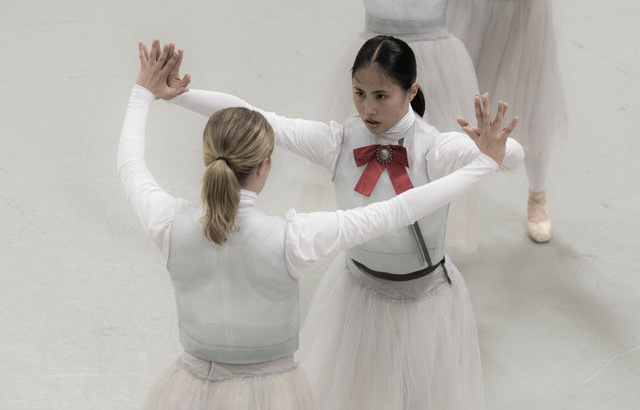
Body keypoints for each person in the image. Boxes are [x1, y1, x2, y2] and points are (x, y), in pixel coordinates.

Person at [119, 39, 516, 409]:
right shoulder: (338, 141)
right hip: (357, 294)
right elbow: (260, 118)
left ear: (411, 92)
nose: (368, 108)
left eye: (382, 96)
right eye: (359, 93)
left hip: (423, 300)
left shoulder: (436, 148)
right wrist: (181, 96)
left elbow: (511, 155)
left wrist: (496, 149)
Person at [312, 0, 483, 252]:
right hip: (376, 57)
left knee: (431, 154)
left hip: (434, 57)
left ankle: (428, 235)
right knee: (360, 144)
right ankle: (374, 236)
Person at [446, 0, 568, 243]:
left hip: (523, 5)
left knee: (531, 102)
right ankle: (438, 198)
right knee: (453, 96)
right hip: (468, 0)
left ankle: (538, 197)